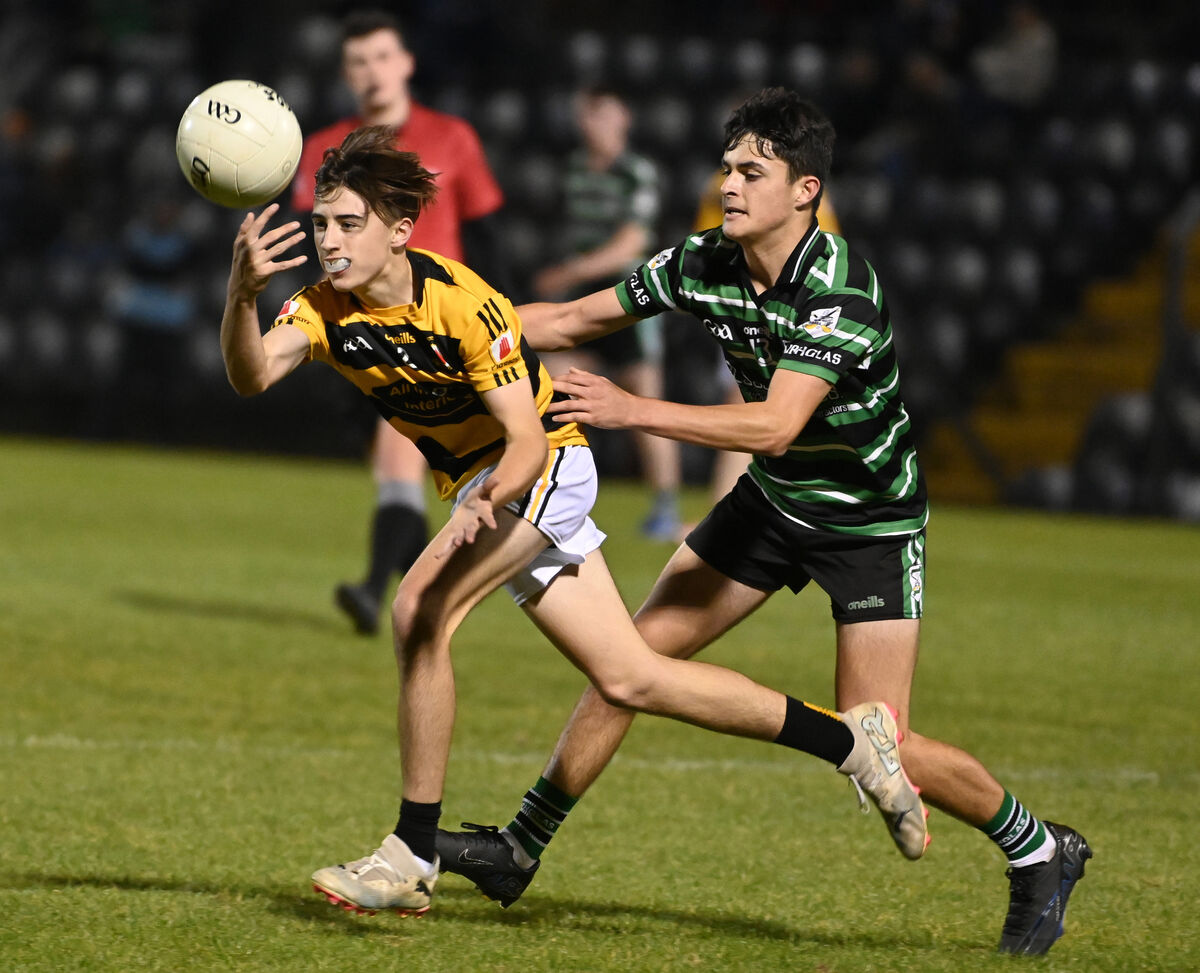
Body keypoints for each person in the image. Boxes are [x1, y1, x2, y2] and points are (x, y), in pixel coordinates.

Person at [435, 88, 1091, 956]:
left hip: (869, 524)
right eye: (727, 167)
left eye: (753, 171)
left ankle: (1040, 847)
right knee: (629, 659)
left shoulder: (840, 289)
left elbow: (775, 424)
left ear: (805, 189)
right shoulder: (705, 259)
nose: (729, 184)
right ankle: (520, 846)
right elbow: (573, 316)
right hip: (775, 502)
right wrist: (443, 330)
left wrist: (634, 409)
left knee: (879, 738)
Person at [220, 125, 927, 921]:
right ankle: (852, 744)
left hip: (544, 465)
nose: (330, 240)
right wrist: (243, 293)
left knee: (420, 609)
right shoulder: (319, 308)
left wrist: (483, 505)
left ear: (398, 232)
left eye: (349, 224)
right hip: (490, 485)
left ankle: (411, 854)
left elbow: (525, 439)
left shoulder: (463, 303)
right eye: (322, 223)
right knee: (632, 675)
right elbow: (251, 376)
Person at [290, 9, 508, 635]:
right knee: (403, 473)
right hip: (355, 335)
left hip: (435, 330)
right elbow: (314, 242)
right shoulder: (322, 149)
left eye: (383, 56)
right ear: (345, 73)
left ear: (407, 63)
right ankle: (427, 602)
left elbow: (487, 236)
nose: (372, 71)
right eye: (358, 61)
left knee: (398, 458)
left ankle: (371, 589)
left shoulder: (452, 138)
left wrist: (496, 319)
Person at [531, 86, 682, 541]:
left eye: (603, 117)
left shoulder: (636, 173)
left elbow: (632, 243)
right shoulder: (575, 170)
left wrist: (570, 270)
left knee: (644, 395)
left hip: (630, 297)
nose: (593, 126)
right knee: (554, 380)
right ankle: (560, 482)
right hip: (582, 298)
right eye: (588, 117)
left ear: (623, 121)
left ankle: (665, 506)